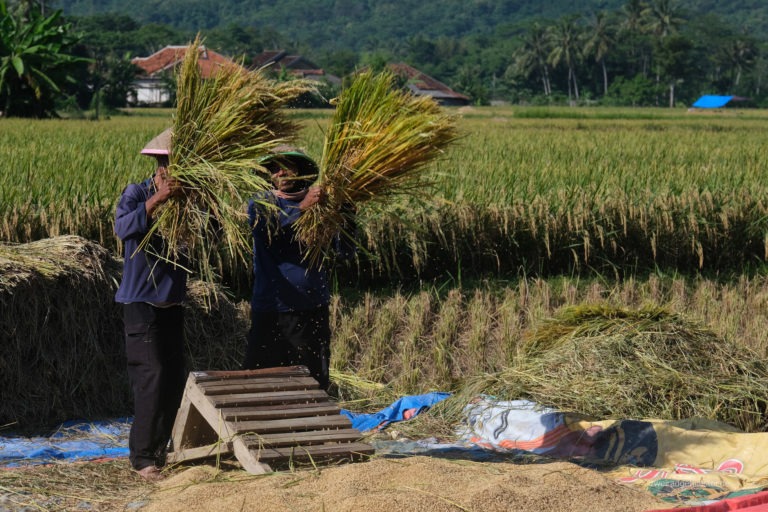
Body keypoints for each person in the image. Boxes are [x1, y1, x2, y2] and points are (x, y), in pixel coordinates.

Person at [244, 146, 351, 390]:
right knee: (260, 377)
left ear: (300, 171)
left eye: (287, 166)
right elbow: (267, 228)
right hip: (272, 308)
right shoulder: (262, 202)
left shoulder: (322, 208)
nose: (280, 172)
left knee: (311, 379)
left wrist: (346, 212)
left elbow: (344, 249)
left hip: (310, 307)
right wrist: (303, 209)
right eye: (274, 167)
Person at [114, 128, 187, 482]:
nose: (172, 173)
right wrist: (157, 200)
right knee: (152, 376)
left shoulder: (189, 206)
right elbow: (122, 228)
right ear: (160, 166)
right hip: (141, 302)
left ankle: (160, 451)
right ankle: (142, 458)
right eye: (169, 166)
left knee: (174, 378)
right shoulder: (137, 192)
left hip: (171, 303)